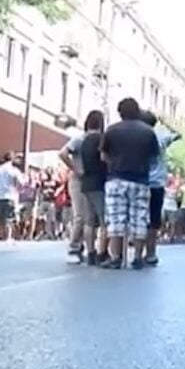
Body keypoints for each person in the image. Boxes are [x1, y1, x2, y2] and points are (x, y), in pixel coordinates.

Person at [100, 98, 159, 269]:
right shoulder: (148, 132)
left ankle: (116, 257)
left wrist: (115, 163)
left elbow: (103, 156)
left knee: (116, 220)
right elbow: (154, 158)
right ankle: (138, 257)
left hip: (116, 179)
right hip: (140, 181)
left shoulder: (111, 130)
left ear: (120, 112)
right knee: (139, 219)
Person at [141, 110, 181, 266]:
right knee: (154, 220)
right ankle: (151, 253)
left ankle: (137, 251)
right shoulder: (162, 136)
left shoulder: (139, 135)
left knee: (140, 218)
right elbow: (178, 135)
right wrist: (166, 122)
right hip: (157, 183)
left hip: (141, 181)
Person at [79, 110, 110, 265]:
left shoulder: (84, 141)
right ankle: (101, 253)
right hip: (99, 182)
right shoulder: (101, 139)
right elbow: (104, 159)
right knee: (105, 221)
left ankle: (90, 252)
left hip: (86, 182)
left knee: (89, 222)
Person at [59, 117, 90, 259]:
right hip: (78, 179)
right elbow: (63, 153)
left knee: (87, 216)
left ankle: (80, 245)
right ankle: (73, 246)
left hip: (89, 179)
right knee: (80, 216)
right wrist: (75, 168)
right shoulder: (80, 139)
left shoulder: (93, 140)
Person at [0, 153, 24, 244]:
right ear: (12, 159)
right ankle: (8, 238)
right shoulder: (14, 170)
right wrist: (17, 189)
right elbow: (22, 183)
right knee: (9, 218)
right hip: (9, 195)